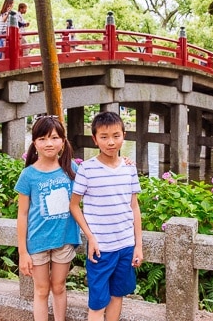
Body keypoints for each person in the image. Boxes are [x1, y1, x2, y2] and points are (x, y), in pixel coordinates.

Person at [69, 111, 143, 321]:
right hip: (100, 248)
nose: (111, 142)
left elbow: (134, 207)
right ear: (95, 139)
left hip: (126, 246)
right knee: (97, 302)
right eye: (104, 137)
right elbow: (74, 206)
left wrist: (138, 245)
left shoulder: (129, 168)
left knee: (117, 294)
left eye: (116, 136)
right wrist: (90, 237)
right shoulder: (87, 169)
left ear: (124, 136)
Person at [15, 115, 81, 321]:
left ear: (63, 141)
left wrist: (123, 162)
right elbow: (23, 214)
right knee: (42, 290)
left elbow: (98, 176)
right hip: (37, 241)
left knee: (59, 287)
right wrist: (23, 252)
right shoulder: (28, 175)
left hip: (64, 239)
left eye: (54, 138)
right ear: (34, 143)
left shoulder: (72, 170)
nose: (49, 143)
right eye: (42, 139)